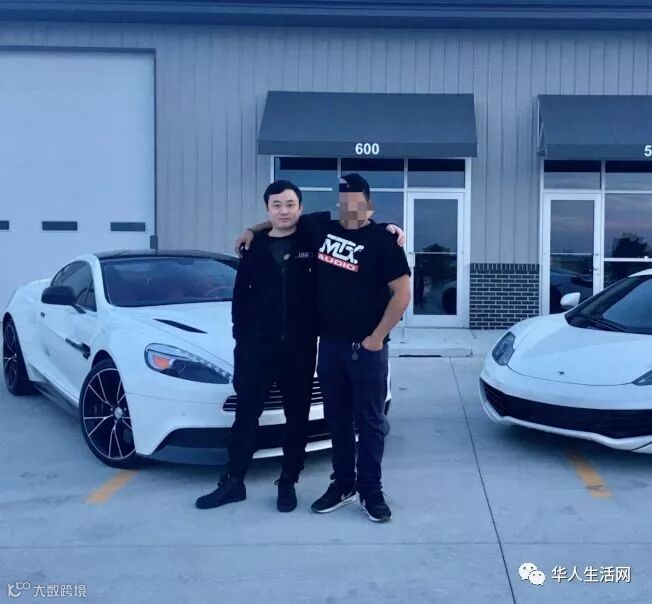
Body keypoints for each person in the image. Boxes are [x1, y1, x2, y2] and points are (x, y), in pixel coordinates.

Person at [236, 173, 411, 522]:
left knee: (370, 422)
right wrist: (251, 230)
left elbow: (402, 293)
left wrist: (377, 337)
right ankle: (343, 484)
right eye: (345, 200)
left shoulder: (383, 241)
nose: (350, 206)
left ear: (369, 203)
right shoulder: (321, 228)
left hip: (367, 350)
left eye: (357, 200)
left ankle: (371, 490)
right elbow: (283, 220)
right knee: (337, 420)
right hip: (329, 346)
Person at [195, 180, 320, 512]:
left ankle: (288, 481)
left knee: (297, 418)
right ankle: (234, 481)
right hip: (255, 349)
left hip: (299, 349)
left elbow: (355, 225)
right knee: (246, 416)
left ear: (301, 208)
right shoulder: (254, 247)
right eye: (276, 205)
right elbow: (240, 297)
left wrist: (391, 230)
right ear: (267, 209)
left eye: (290, 204)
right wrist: (242, 338)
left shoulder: (313, 239)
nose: (284, 211)